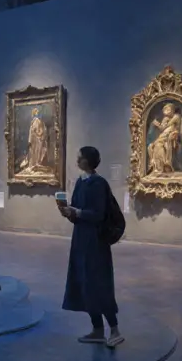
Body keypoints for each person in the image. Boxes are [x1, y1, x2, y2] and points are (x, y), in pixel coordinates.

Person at [58, 146, 122, 348]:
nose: (77, 160)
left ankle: (114, 330)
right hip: (81, 240)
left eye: (80, 157)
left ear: (88, 161)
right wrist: (68, 212)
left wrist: (77, 212)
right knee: (85, 283)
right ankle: (97, 329)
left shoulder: (98, 184)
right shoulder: (80, 182)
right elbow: (78, 212)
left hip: (96, 242)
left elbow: (98, 214)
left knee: (99, 283)